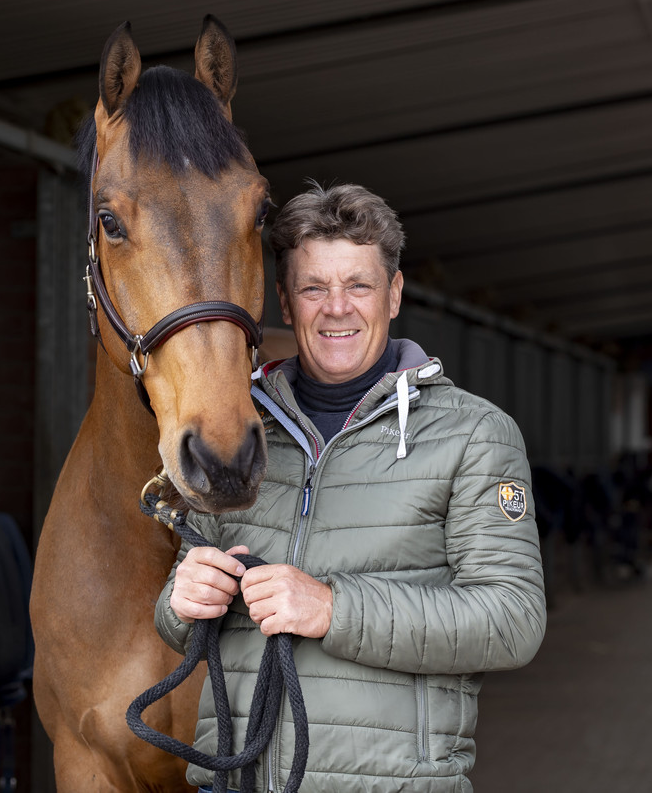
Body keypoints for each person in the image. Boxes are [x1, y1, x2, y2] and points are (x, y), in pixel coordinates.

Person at [156, 181, 546, 792]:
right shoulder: (241, 433)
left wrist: (334, 608)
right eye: (314, 287)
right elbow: (177, 616)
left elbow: (512, 619)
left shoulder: (475, 435)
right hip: (235, 781)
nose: (336, 308)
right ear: (285, 301)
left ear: (393, 295)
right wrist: (182, 599)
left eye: (358, 285)